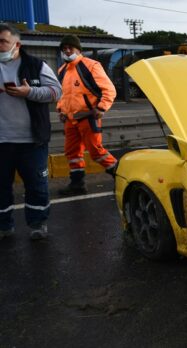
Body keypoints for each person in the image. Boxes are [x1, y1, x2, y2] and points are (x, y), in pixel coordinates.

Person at [0, 23, 62, 240]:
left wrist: (29, 92)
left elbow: (56, 92)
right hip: (2, 141)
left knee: (36, 185)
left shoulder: (36, 65)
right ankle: (4, 226)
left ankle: (38, 224)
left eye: (2, 42)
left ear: (16, 44)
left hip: (31, 141)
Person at [56, 35, 118, 196]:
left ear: (78, 49)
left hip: (88, 117)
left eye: (71, 47)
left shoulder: (90, 65)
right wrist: (61, 110)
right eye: (64, 48)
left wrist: (102, 107)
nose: (67, 51)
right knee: (72, 152)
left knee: (96, 151)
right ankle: (77, 185)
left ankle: (120, 177)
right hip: (70, 119)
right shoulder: (62, 70)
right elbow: (63, 95)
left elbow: (109, 89)